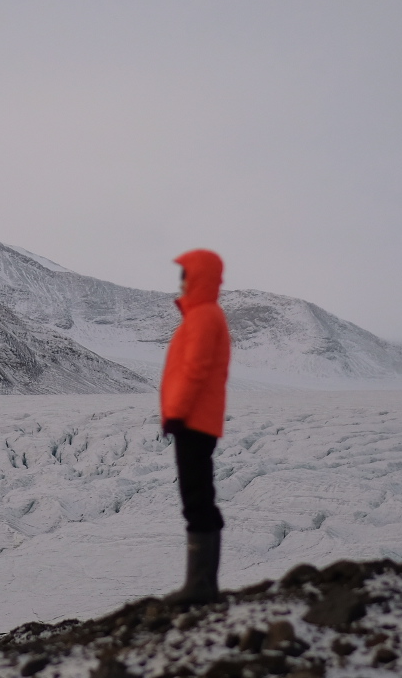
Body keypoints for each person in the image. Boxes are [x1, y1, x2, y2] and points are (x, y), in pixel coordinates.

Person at [160, 247, 232, 606]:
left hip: (194, 421)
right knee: (198, 495)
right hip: (196, 420)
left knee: (197, 498)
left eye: (187, 273)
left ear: (200, 277)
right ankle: (202, 583)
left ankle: (200, 585)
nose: (182, 281)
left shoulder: (204, 316)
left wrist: (175, 413)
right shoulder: (202, 315)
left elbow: (195, 369)